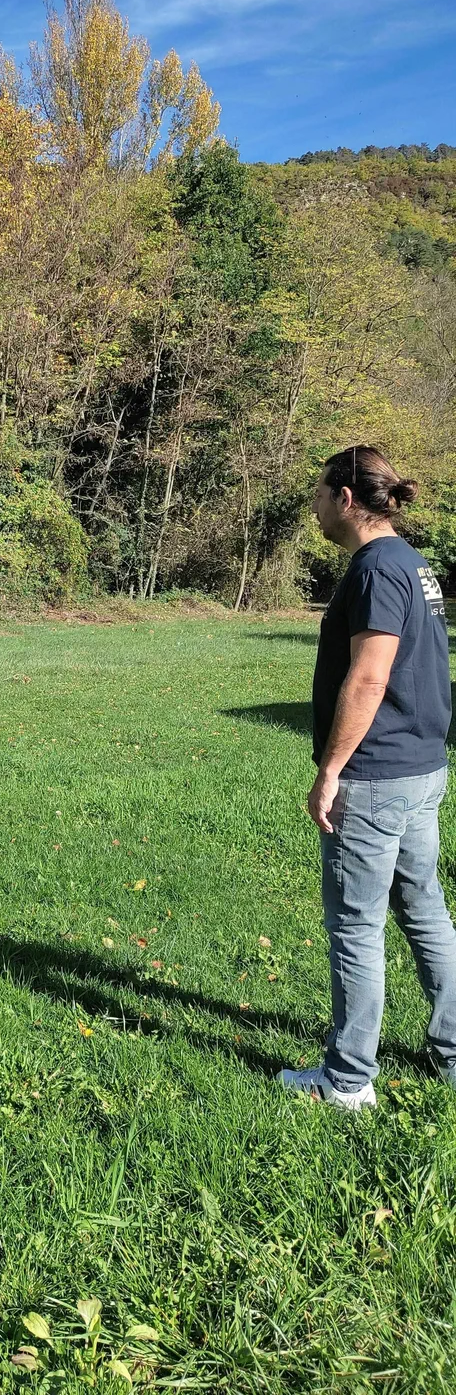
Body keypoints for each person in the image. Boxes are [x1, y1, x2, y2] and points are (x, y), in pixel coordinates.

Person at [279, 446, 456, 1111]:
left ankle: (348, 1080)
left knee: (357, 926)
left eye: (320, 493)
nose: (315, 507)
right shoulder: (412, 563)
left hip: (378, 776)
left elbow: (370, 677)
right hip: (420, 769)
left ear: (346, 497)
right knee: (424, 911)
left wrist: (330, 770)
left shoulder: (378, 568)